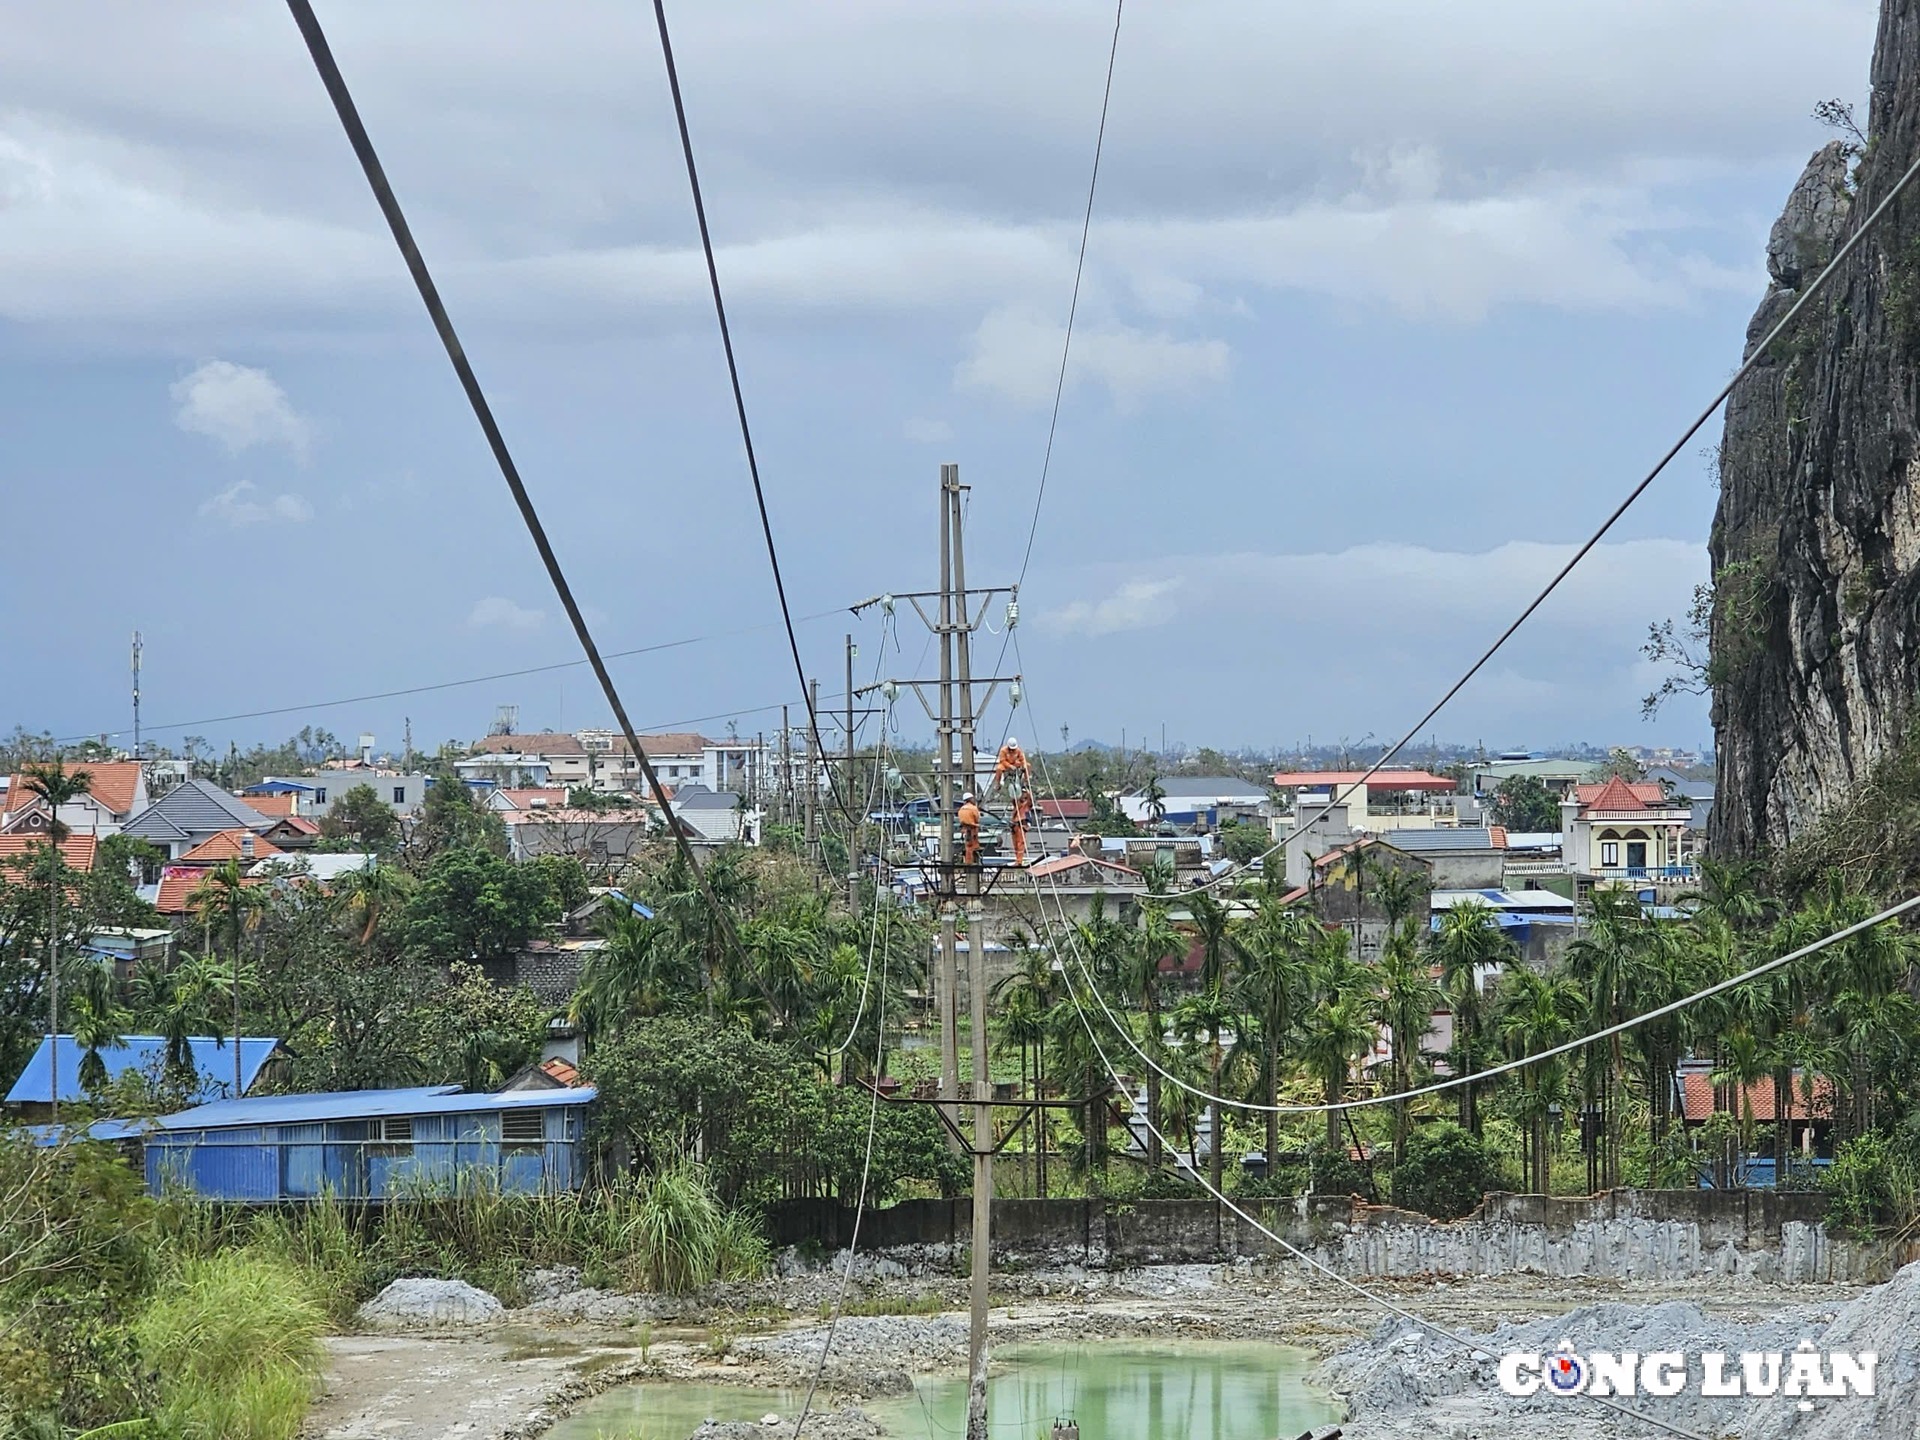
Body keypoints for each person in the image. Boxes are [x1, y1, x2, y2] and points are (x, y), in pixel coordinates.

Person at [991, 737, 1033, 865]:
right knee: (999, 768)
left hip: (1020, 825)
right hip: (1006, 766)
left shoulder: (1025, 806)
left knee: (1020, 843)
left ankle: (1027, 780)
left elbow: (1022, 760)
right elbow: (1002, 761)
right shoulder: (1004, 751)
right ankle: (997, 784)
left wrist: (1020, 767)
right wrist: (1010, 766)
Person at [957, 791, 982, 866]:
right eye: (972, 798)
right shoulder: (973, 808)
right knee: (970, 847)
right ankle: (969, 862)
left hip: (965, 830)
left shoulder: (961, 809)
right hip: (972, 830)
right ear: (970, 799)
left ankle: (970, 859)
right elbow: (977, 818)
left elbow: (961, 819)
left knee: (968, 845)